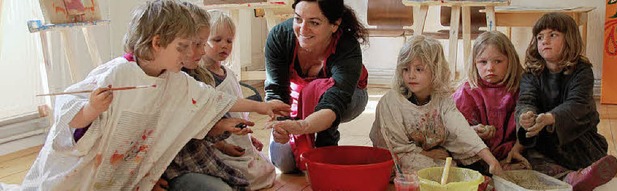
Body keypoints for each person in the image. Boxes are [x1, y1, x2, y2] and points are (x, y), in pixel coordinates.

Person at [18, 1, 289, 190]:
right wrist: (91, 109)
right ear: (157, 43)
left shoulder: (175, 77)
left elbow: (214, 99)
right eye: (182, 47)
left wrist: (262, 108)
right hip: (85, 168)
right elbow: (68, 112)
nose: (188, 55)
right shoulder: (119, 73)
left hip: (125, 169)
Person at [163, 8, 276, 191]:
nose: (224, 45)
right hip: (208, 146)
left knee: (266, 169)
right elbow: (207, 119)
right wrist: (261, 107)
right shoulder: (191, 78)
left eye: (229, 41)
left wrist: (249, 134)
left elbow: (234, 108)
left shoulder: (227, 75)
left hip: (230, 138)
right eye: (216, 40)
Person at [369, 35, 503, 176]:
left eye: (419, 69)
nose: (411, 75)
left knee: (467, 150)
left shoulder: (442, 99)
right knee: (435, 169)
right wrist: (427, 154)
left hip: (429, 145)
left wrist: (492, 161)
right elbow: (394, 145)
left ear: (435, 71)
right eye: (406, 69)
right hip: (397, 153)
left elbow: (460, 129)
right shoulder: (392, 101)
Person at [516, 12, 617, 190]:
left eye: (552, 35)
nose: (544, 41)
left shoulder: (582, 71)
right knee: (531, 156)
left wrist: (550, 117)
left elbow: (577, 105)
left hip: (577, 137)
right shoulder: (531, 73)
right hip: (544, 139)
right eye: (540, 37)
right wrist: (525, 115)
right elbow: (526, 99)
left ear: (569, 39)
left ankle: (581, 173)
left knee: (590, 153)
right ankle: (571, 178)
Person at [264, 0, 369, 173]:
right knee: (284, 163)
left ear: (334, 25)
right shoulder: (280, 36)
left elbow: (336, 100)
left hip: (349, 98)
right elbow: (276, 91)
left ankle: (326, 141)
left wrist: (302, 126)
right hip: (299, 97)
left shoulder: (346, 46)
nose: (303, 30)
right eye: (298, 19)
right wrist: (281, 126)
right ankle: (310, 140)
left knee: (317, 90)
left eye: (314, 22)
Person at [452, 31, 530, 174]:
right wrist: (475, 131)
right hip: (476, 153)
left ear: (510, 60)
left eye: (498, 61)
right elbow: (455, 131)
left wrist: (517, 149)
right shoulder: (467, 91)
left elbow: (528, 129)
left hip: (514, 151)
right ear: (474, 63)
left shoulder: (520, 88)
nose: (490, 68)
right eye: (483, 62)